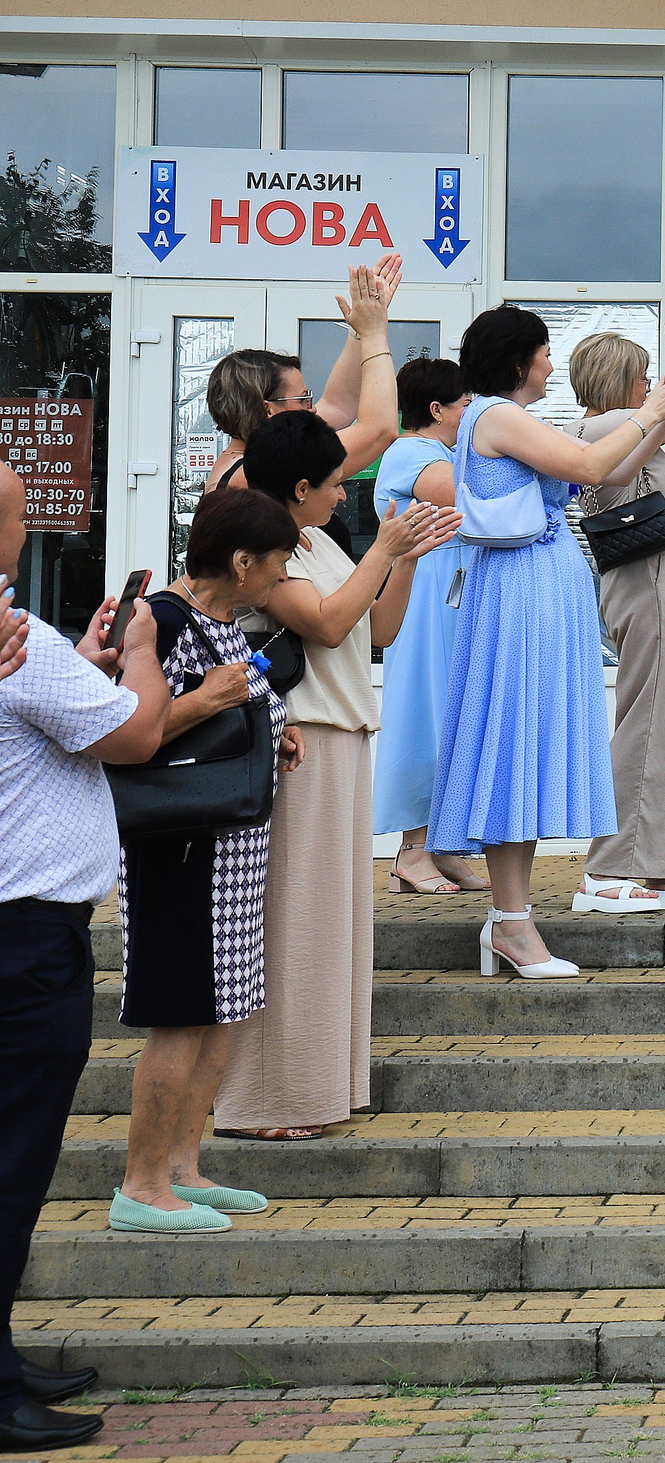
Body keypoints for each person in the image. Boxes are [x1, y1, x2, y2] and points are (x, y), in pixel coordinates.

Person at [428, 306, 665, 977]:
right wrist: (656, 410)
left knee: (524, 748)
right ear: (518, 361)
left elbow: (606, 473)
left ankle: (512, 921)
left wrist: (660, 417)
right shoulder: (496, 415)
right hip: (521, 593)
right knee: (513, 747)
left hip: (537, 591)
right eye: (544, 353)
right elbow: (589, 463)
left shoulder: (509, 419)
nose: (553, 365)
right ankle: (512, 923)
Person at [218, 413, 458, 1140]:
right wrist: (383, 547)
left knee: (334, 925)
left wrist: (405, 557)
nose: (339, 495)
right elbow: (322, 622)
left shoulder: (316, 539)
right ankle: (266, 1102)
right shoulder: (260, 546)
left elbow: (375, 630)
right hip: (300, 741)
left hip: (346, 735)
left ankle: (323, 1088)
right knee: (293, 922)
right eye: (330, 484)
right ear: (297, 486)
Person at [0, 468, 164, 1450]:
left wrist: (90, 664)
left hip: (26, 926)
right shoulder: (18, 641)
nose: (26, 531)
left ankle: (4, 1358)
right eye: (19, 516)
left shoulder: (26, 642)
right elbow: (138, 732)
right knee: (13, 1165)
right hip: (24, 937)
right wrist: (141, 653)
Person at [115, 487, 301, 1234]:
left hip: (231, 848)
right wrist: (209, 703)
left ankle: (183, 1169)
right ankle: (141, 1184)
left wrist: (268, 733)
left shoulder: (224, 622)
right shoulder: (161, 620)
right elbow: (131, 732)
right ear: (241, 560)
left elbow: (231, 713)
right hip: (179, 850)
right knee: (181, 1015)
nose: (282, 578)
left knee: (222, 1010)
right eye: (279, 562)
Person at [565, 287, 665, 913]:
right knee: (651, 719)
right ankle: (613, 868)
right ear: (620, 381)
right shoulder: (602, 427)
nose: (648, 387)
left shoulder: (637, 430)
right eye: (640, 377)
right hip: (649, 581)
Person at [372, 358, 487, 897]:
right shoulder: (409, 453)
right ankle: (412, 850)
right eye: (465, 405)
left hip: (451, 592)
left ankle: (443, 847)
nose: (472, 414)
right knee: (426, 711)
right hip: (424, 594)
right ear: (437, 409)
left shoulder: (440, 451)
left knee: (456, 715)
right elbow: (468, 491)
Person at [201, 254, 403, 512]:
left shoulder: (248, 459)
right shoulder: (261, 470)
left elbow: (339, 404)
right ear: (268, 409)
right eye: (303, 400)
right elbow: (379, 431)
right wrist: (375, 334)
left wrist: (362, 327)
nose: (314, 408)